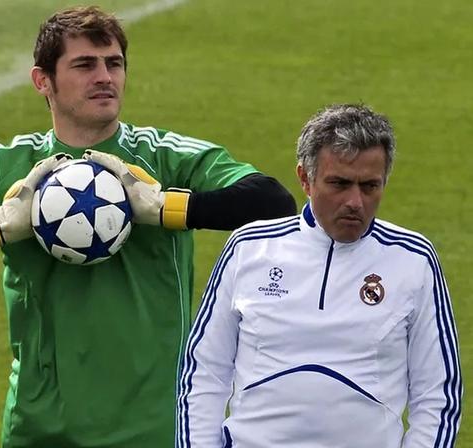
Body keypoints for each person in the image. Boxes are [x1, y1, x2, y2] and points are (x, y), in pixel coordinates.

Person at [0, 6, 295, 448]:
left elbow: (273, 202)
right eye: (84, 65)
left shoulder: (164, 157)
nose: (105, 77)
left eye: (113, 63)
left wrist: (162, 208)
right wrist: (1, 227)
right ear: (43, 80)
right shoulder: (9, 165)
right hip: (38, 431)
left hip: (156, 430)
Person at [176, 104, 462, 447]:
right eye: (339, 184)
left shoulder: (413, 260)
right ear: (305, 179)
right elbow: (203, 373)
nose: (355, 201)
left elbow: (438, 394)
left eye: (370, 186)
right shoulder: (248, 248)